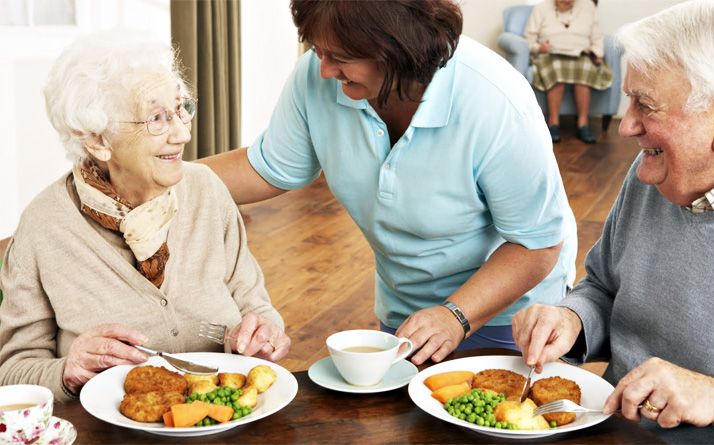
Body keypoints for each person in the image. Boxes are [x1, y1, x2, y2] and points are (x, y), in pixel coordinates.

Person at [201, 0, 577, 366]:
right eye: (318, 50)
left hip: (511, 314)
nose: (325, 70)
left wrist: (456, 315)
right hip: (407, 309)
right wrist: (172, 177)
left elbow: (537, 244)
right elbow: (268, 167)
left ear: (397, 50)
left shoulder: (495, 101)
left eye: (341, 57)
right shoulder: (317, 77)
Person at [512, 1, 714, 443]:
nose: (626, 126)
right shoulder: (657, 169)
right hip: (612, 431)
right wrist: (573, 320)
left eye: (645, 105)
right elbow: (604, 286)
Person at [0, 33, 290, 402]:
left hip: (223, 416)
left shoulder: (206, 190)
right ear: (98, 140)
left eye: (181, 109)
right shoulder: (43, 226)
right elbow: (12, 372)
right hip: (110, 428)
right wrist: (66, 371)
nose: (182, 133)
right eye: (157, 118)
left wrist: (264, 334)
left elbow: (255, 305)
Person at [524, 0, 613, 144]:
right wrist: (539, 47)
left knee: (585, 69)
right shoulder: (541, 8)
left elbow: (597, 36)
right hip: (550, 54)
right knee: (556, 69)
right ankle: (553, 122)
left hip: (580, 54)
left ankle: (583, 124)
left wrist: (597, 53)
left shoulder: (588, 6)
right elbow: (528, 39)